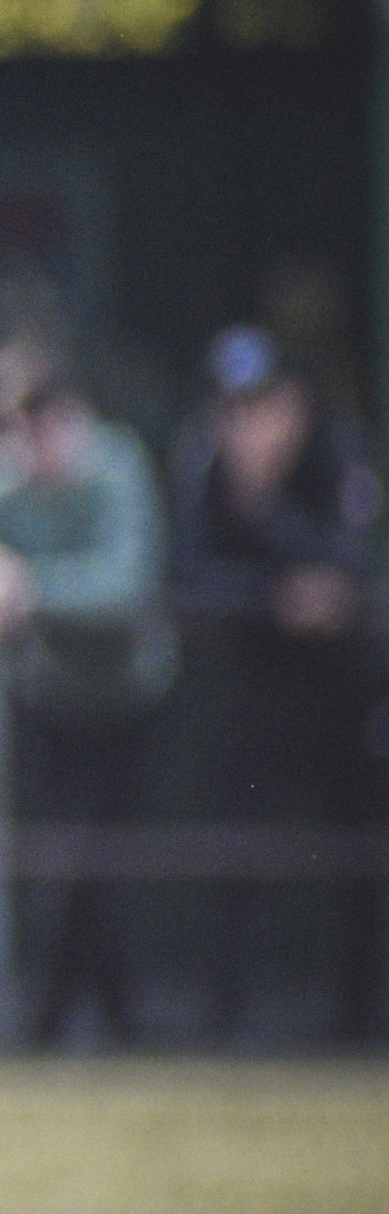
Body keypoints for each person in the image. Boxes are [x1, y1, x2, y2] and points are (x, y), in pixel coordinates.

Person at [0, 335, 176, 1046]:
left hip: (129, 702)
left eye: (41, 424)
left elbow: (125, 584)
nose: (27, 446)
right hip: (45, 706)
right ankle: (105, 1024)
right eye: (11, 429)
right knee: (68, 863)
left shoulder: (118, 464)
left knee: (96, 866)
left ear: (72, 414)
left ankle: (66, 1022)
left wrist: (27, 588)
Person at [166, 323, 384, 1041]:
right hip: (249, 686)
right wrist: (275, 591)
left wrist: (279, 520)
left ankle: (358, 1016)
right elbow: (189, 576)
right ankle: (227, 1020)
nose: (250, 424)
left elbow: (350, 565)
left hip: (341, 686)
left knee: (357, 845)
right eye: (235, 408)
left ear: (296, 401)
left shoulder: (337, 449)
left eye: (264, 404)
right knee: (238, 849)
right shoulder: (205, 462)